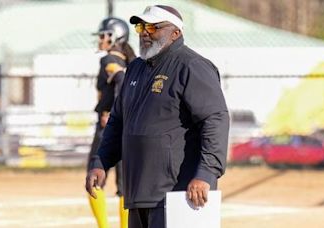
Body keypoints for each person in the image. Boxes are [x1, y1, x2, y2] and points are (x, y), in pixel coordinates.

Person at [86, 5, 229, 228]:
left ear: (175, 32)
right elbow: (117, 121)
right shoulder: (135, 69)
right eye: (141, 26)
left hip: (178, 196)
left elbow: (215, 121)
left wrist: (206, 173)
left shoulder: (192, 66)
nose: (144, 32)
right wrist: (101, 162)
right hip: (137, 195)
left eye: (153, 27)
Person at [88, 16, 136, 228]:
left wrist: (113, 110)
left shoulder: (109, 60)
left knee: (94, 177)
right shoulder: (129, 60)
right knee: (125, 184)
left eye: (104, 35)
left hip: (109, 127)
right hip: (127, 127)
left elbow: (121, 79)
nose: (100, 39)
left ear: (115, 36)